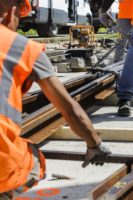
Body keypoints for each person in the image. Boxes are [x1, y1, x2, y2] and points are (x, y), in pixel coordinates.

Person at [0, 0, 111, 198]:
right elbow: (70, 110)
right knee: (34, 160)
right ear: (11, 12)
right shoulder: (23, 48)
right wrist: (94, 144)